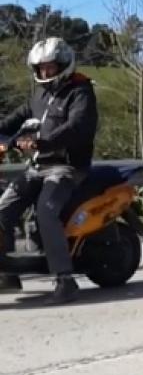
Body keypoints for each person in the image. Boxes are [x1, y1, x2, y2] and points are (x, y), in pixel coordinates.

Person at [0, 37, 98, 303]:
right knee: (4, 208)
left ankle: (65, 280)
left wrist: (43, 142)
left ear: (63, 65)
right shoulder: (41, 94)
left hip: (66, 168)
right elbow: (15, 119)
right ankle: (7, 273)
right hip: (38, 167)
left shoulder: (80, 91)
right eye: (41, 68)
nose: (45, 72)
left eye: (50, 67)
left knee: (46, 212)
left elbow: (78, 127)